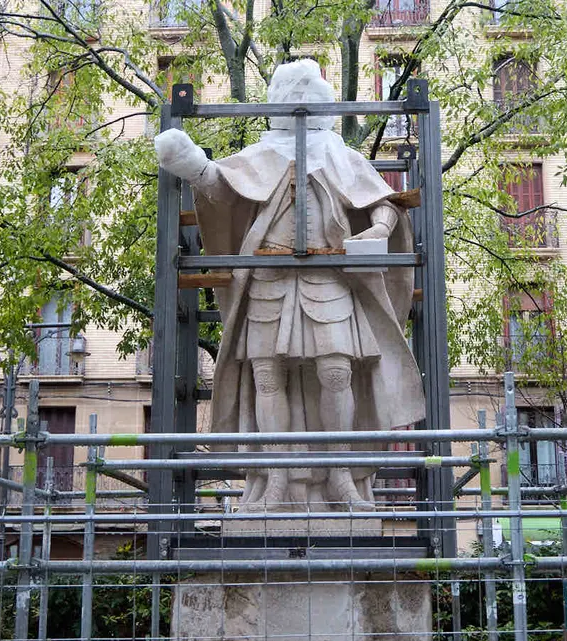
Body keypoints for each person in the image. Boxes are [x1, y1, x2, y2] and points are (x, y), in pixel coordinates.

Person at [153, 59, 425, 512]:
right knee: (267, 378)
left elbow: (383, 202)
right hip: (268, 279)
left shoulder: (340, 154)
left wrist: (377, 229)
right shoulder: (261, 155)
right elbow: (222, 187)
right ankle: (275, 480)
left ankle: (341, 479)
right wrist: (194, 165)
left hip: (329, 278)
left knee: (337, 374)